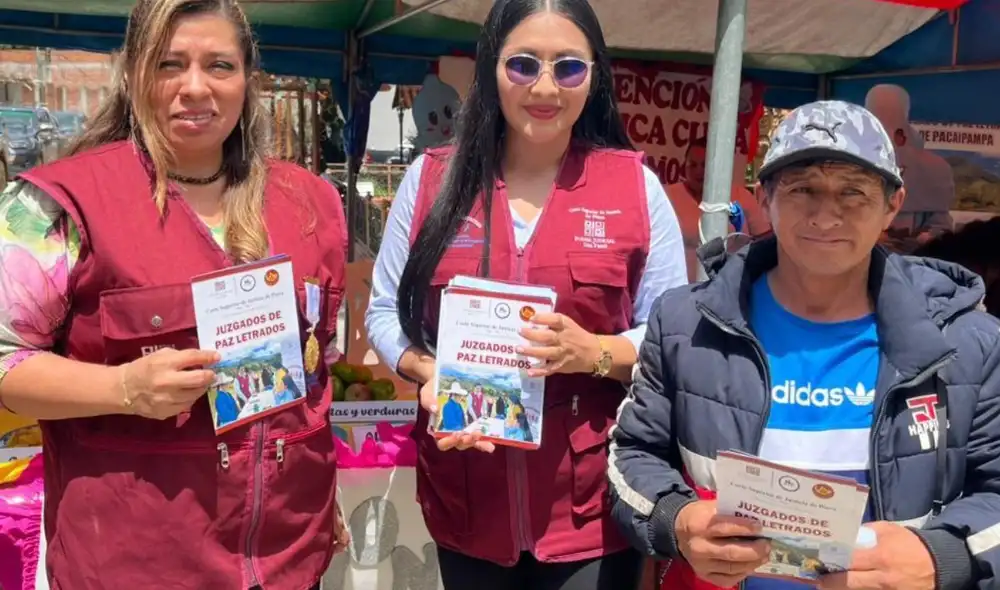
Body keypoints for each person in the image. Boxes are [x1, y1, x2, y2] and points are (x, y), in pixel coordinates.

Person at [0, 1, 348, 588]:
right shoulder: (58, 205)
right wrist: (122, 387)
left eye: (219, 65)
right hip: (135, 560)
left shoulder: (312, 204)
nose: (194, 88)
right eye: (169, 64)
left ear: (248, 80)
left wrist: (320, 490)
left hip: (289, 559)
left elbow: (315, 375)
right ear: (134, 73)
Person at [609, 100, 1000, 590]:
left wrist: (943, 555)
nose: (825, 214)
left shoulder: (968, 343)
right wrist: (677, 521)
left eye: (853, 192)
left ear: (892, 205)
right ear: (763, 196)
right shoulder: (686, 324)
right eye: (802, 189)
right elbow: (632, 454)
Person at [364, 0, 686, 588]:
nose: (545, 87)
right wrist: (427, 371)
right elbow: (385, 311)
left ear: (595, 76)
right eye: (522, 65)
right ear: (491, 69)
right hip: (467, 498)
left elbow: (671, 334)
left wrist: (595, 352)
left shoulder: (634, 187)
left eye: (568, 68)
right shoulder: (431, 180)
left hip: (588, 508)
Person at [666, 137, 771, 282]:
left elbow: (766, 240)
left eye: (704, 165)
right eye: (692, 164)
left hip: (730, 289)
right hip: (680, 288)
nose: (698, 171)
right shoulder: (669, 196)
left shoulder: (741, 196)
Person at [865, 84, 955, 247]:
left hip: (913, 258)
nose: (884, 115)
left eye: (890, 109)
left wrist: (924, 237)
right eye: (878, 108)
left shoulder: (935, 167)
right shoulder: (851, 162)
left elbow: (941, 225)